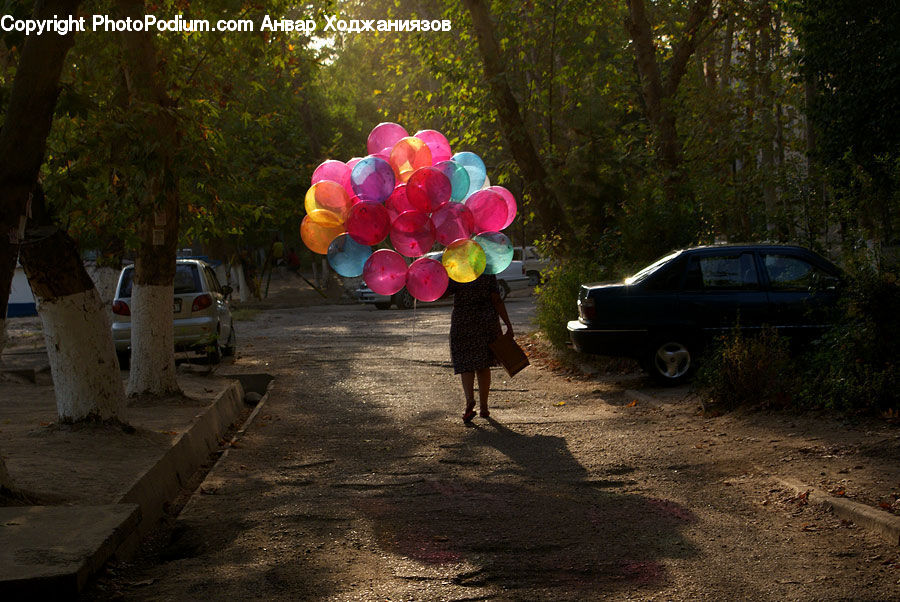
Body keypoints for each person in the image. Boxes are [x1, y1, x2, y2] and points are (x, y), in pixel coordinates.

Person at [448, 273, 513, 423]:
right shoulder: (487, 272)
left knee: (466, 364)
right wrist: (508, 325)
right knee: (483, 364)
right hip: (486, 321)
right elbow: (496, 300)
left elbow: (443, 294)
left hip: (463, 320)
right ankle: (484, 407)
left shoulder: (457, 272)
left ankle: (469, 401)